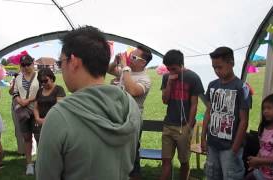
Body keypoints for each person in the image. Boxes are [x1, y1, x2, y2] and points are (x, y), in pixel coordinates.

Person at [36, 26, 142, 180]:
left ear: (73, 61)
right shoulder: (131, 106)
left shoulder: (59, 117)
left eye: (61, 62)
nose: (61, 68)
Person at [201, 47, 252, 180]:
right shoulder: (212, 85)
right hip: (212, 144)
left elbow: (244, 120)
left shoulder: (242, 88)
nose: (217, 71)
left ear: (231, 63)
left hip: (230, 147)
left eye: (220, 67)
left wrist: (234, 148)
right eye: (214, 67)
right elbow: (208, 112)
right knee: (211, 175)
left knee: (231, 176)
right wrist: (203, 138)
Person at [108, 45, 153, 180]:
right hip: (117, 119)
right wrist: (115, 62)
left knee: (132, 160)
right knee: (116, 156)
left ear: (143, 62)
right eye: (130, 55)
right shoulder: (126, 72)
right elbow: (108, 70)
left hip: (132, 122)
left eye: (133, 57)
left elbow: (133, 90)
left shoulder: (145, 79)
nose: (129, 58)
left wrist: (124, 67)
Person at [159, 50, 204, 180]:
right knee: (166, 161)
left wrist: (189, 126)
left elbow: (194, 104)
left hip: (183, 126)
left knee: (184, 161)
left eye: (173, 68)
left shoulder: (193, 77)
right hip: (168, 125)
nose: (171, 71)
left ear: (181, 64)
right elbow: (165, 101)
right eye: (168, 68)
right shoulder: (167, 77)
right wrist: (169, 83)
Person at [13, 55, 39, 175]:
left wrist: (28, 100)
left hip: (37, 111)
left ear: (33, 63)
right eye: (23, 65)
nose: (26, 67)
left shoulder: (40, 75)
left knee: (39, 138)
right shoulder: (18, 77)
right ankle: (29, 164)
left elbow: (43, 91)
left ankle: (40, 161)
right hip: (23, 112)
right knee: (27, 138)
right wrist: (20, 100)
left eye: (28, 64)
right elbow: (15, 93)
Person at [245, 94, 273, 180]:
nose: (265, 111)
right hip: (261, 172)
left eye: (269, 108)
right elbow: (262, 148)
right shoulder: (264, 128)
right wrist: (255, 160)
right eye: (264, 109)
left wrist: (258, 161)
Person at [33, 68, 65, 144]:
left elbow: (59, 108)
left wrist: (47, 120)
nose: (43, 83)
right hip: (40, 125)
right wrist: (37, 119)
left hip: (55, 125)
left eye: (45, 81)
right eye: (41, 81)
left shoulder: (59, 89)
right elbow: (35, 107)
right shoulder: (40, 91)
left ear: (51, 78)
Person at [9, 72, 26, 155]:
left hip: (26, 106)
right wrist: (14, 83)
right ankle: (21, 150)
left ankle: (31, 150)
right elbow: (10, 92)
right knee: (18, 129)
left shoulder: (28, 79)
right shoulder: (14, 80)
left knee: (28, 128)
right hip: (15, 107)